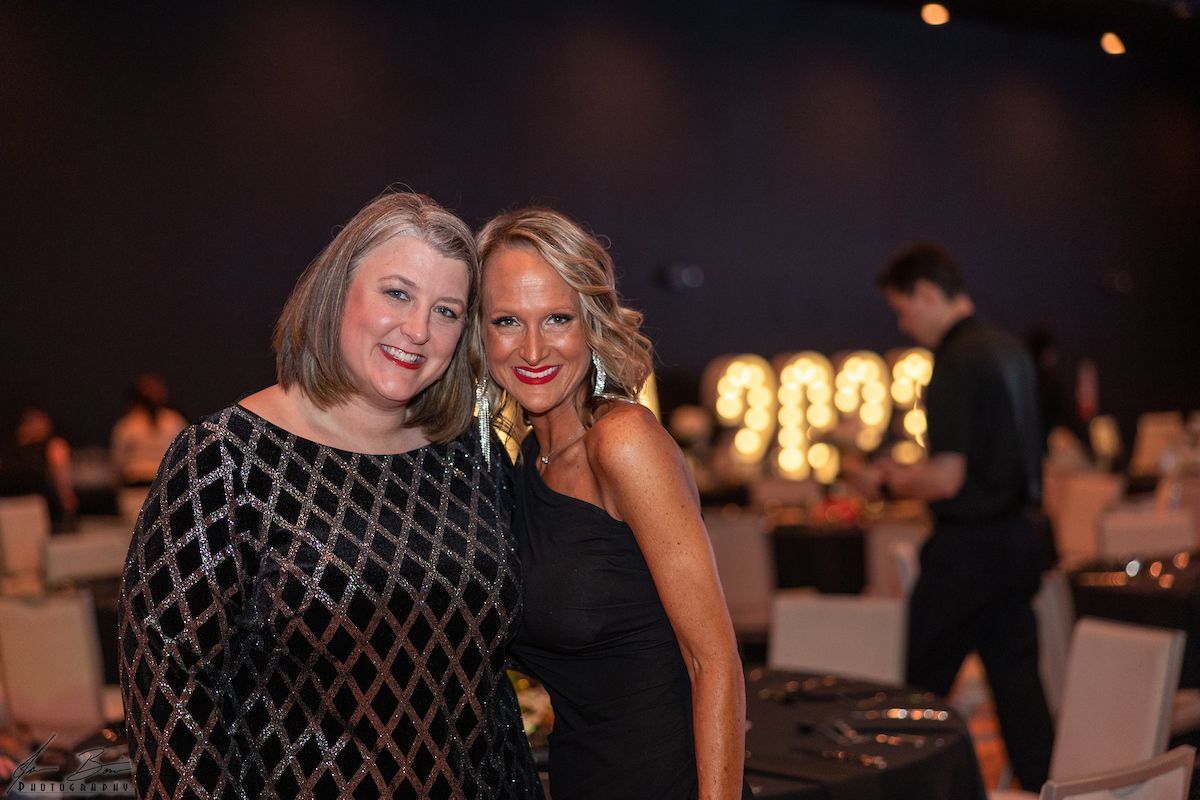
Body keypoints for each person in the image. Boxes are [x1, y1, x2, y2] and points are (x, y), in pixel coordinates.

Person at [118, 192, 543, 799]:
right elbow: (170, 692)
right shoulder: (224, 457)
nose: (419, 329)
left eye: (447, 310)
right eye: (397, 293)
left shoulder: (470, 455)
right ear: (338, 291)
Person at [476, 207, 749, 800]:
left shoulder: (624, 442)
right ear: (479, 333)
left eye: (556, 318)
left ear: (590, 324)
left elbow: (715, 662)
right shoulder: (527, 462)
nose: (532, 348)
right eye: (506, 321)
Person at [867, 241, 1053, 790]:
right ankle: (1045, 787)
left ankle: (906, 792)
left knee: (916, 694)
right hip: (1019, 543)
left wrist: (886, 478)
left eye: (902, 309)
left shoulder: (954, 360)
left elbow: (948, 476)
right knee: (1019, 689)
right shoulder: (1010, 349)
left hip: (968, 552)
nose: (903, 325)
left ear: (927, 294)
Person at [0, 407, 78, 531]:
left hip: (10, 514)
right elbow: (62, 479)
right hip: (44, 509)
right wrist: (67, 499)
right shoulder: (55, 446)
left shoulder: (8, 452)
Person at [110, 373, 188, 486]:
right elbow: (118, 462)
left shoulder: (173, 421)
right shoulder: (127, 425)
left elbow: (184, 453)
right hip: (135, 487)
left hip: (165, 486)